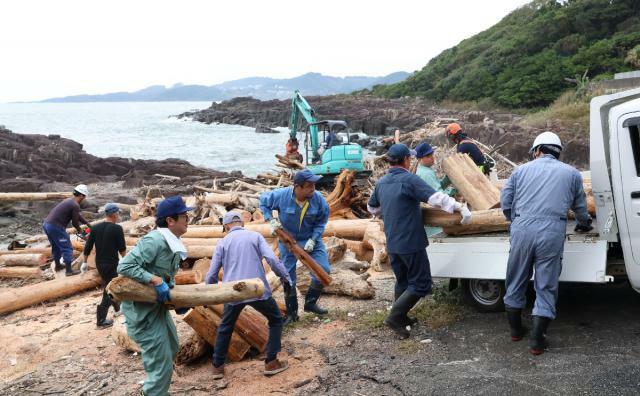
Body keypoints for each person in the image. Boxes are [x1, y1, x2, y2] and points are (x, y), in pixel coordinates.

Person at [500, 131, 593, 356]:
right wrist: (585, 223)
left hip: (522, 228)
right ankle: (537, 341)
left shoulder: (519, 171)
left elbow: (506, 202)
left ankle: (515, 331)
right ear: (558, 152)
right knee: (546, 284)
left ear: (537, 150)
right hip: (552, 231)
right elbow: (580, 208)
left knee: (516, 279)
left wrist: (517, 221)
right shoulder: (572, 174)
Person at [368, 144, 472, 339]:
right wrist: (459, 207)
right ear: (407, 160)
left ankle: (401, 317)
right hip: (411, 241)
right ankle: (394, 317)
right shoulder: (409, 179)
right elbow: (435, 198)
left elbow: (372, 208)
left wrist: (391, 210)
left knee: (403, 281)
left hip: (393, 242)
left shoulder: (381, 183)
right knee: (422, 284)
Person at [117, 196, 193, 396]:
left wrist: (175, 300)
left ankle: (155, 390)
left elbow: (169, 277)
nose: (188, 219)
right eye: (184, 216)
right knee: (160, 361)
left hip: (157, 308)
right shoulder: (155, 241)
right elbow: (124, 266)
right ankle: (154, 393)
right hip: (142, 313)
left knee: (173, 347)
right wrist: (154, 280)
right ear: (170, 220)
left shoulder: (174, 244)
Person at [205, 212, 292, 379]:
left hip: (233, 291)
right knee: (275, 319)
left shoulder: (222, 242)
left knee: (225, 327)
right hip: (256, 289)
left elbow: (211, 274)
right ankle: (271, 362)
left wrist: (210, 293)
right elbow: (272, 260)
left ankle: (217, 367)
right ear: (242, 223)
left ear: (226, 226)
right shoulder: (255, 236)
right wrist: (284, 277)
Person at [259, 168, 331, 325]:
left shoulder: (318, 199)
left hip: (311, 238)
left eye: (314, 185)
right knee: (287, 276)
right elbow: (263, 202)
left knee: (323, 269)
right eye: (309, 186)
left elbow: (322, 220)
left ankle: (310, 303)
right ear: (297, 187)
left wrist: (314, 239)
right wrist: (270, 219)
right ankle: (292, 313)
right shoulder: (281, 196)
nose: (313, 189)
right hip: (288, 241)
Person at [82, 203, 126, 329]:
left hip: (100, 264)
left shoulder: (95, 228)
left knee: (109, 284)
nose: (119, 215)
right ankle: (100, 321)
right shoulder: (117, 229)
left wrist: (85, 262)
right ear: (113, 214)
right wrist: (126, 261)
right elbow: (122, 249)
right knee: (109, 289)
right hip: (111, 263)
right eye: (118, 213)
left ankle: (118, 309)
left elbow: (88, 246)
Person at [43, 184, 91, 276]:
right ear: (81, 195)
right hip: (56, 227)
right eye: (84, 196)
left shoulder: (69, 201)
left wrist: (87, 223)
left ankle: (58, 266)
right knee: (67, 247)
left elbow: (78, 216)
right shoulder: (75, 205)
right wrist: (80, 231)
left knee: (56, 246)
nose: (84, 198)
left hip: (47, 225)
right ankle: (69, 271)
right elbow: (75, 223)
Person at [414, 142, 444, 237]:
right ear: (420, 159)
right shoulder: (426, 174)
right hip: (435, 219)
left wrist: (447, 180)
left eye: (432, 155)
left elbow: (436, 186)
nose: (432, 158)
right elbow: (439, 196)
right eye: (428, 156)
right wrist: (452, 192)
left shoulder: (424, 170)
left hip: (429, 219)